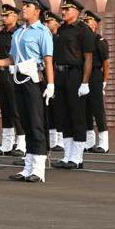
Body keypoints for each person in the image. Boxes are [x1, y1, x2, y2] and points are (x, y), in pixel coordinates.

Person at [0, 0, 55, 183]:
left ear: (37, 11)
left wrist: (51, 84)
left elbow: (48, 60)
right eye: (24, 5)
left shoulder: (42, 32)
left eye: (28, 6)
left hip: (34, 81)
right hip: (18, 79)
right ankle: (28, 166)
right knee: (25, 122)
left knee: (36, 123)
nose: (24, 8)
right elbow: (12, 59)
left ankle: (38, 169)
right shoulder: (19, 33)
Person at [51, 0, 95, 171]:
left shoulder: (84, 30)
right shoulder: (61, 30)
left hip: (75, 75)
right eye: (62, 9)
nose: (63, 12)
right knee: (63, 116)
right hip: (61, 74)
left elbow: (88, 58)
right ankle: (67, 155)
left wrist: (85, 82)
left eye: (67, 9)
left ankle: (77, 157)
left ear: (76, 11)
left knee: (77, 116)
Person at [0, 4, 25, 157]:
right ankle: (7, 143)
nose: (4, 18)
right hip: (3, 73)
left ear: (15, 16)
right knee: (5, 108)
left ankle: (22, 143)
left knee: (16, 109)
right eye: (3, 16)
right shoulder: (1, 34)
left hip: (15, 73)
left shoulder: (20, 33)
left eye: (7, 15)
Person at [82, 10, 110, 154]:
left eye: (87, 22)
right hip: (84, 77)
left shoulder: (100, 41)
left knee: (98, 109)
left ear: (94, 25)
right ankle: (89, 141)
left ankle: (104, 143)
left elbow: (106, 63)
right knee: (86, 108)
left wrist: (104, 81)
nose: (85, 24)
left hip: (96, 75)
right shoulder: (82, 40)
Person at [43, 10, 64, 150]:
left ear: (56, 23)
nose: (46, 24)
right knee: (49, 109)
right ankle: (52, 139)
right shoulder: (46, 38)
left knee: (59, 109)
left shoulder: (59, 39)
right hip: (46, 76)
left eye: (49, 21)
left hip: (57, 76)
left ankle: (61, 140)